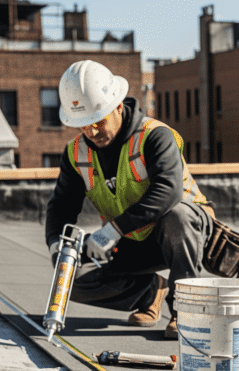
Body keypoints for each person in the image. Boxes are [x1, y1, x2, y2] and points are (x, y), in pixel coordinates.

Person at [45, 60, 214, 339]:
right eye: (84, 125)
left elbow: (168, 192)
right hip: (132, 240)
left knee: (178, 217)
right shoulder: (76, 153)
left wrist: (113, 230)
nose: (92, 132)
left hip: (185, 233)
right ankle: (150, 292)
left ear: (119, 107)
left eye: (98, 121)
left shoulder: (154, 136)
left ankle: (186, 314)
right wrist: (57, 247)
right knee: (64, 284)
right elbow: (62, 205)